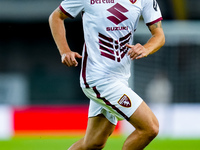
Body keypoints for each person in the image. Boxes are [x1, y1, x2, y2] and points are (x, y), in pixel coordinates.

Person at [49, 0, 165, 149]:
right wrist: (64, 51)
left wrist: (146, 48)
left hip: (120, 78)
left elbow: (159, 35)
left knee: (93, 143)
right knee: (150, 128)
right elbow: (56, 17)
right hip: (98, 78)